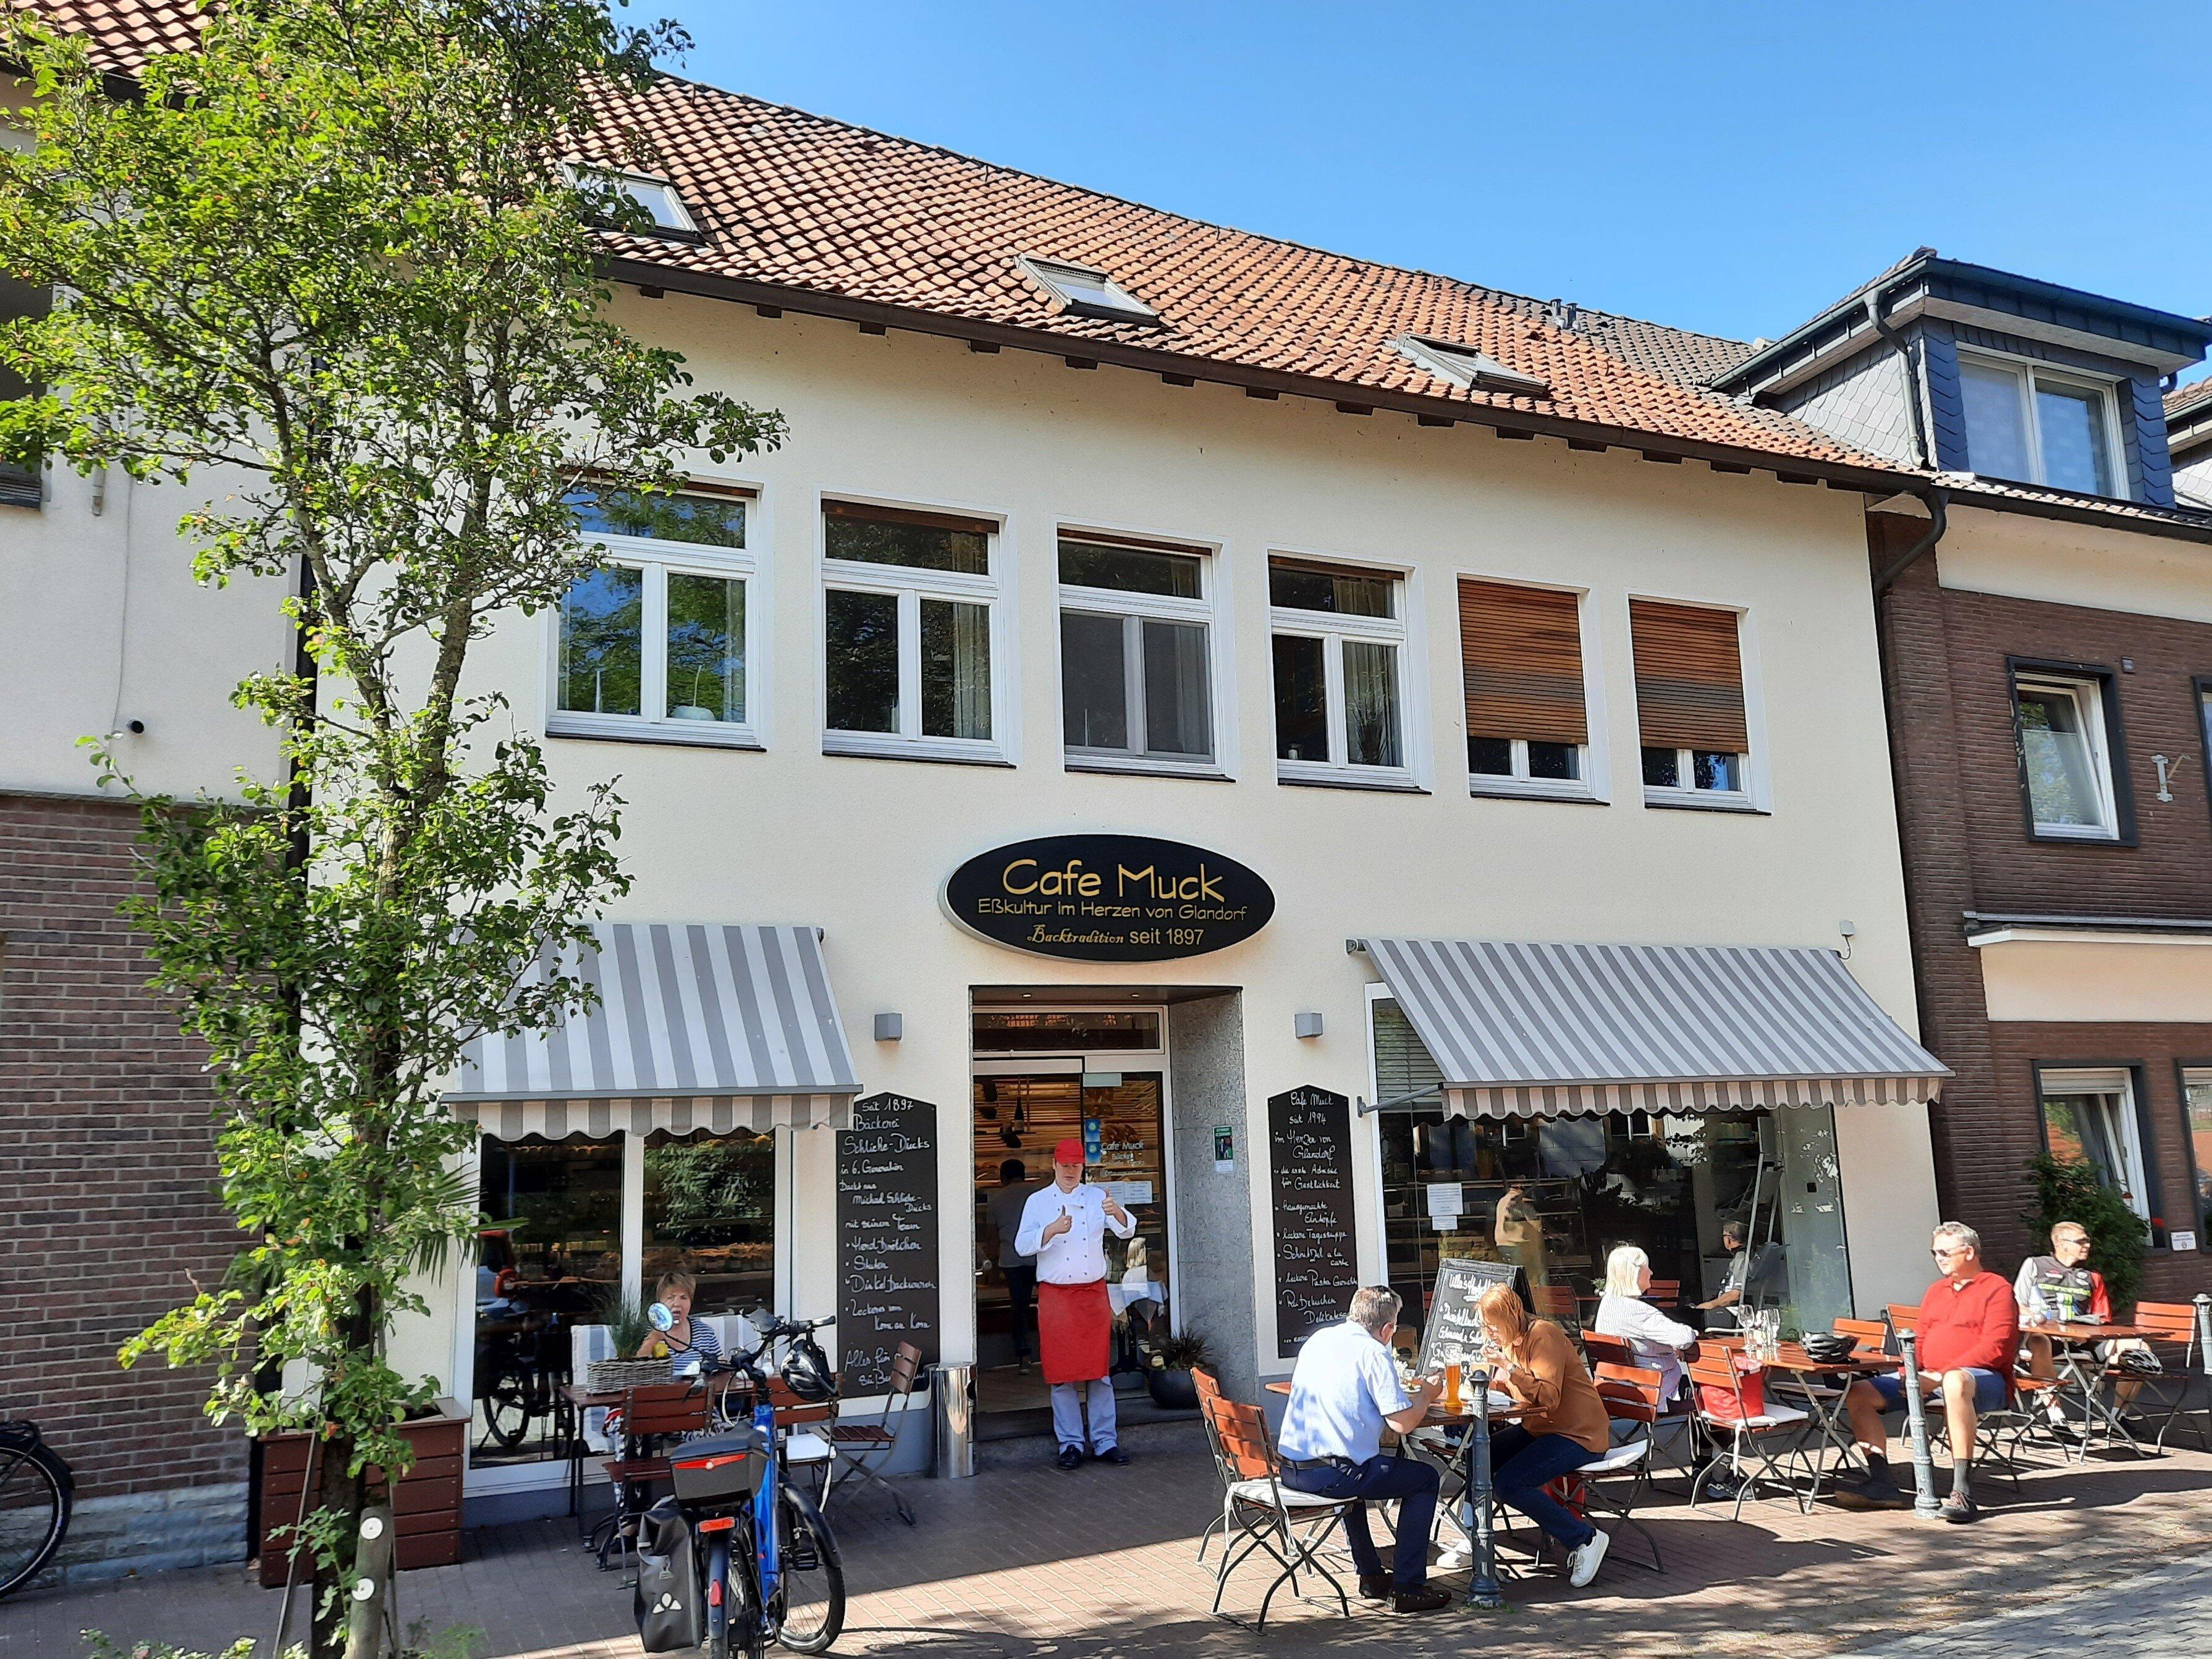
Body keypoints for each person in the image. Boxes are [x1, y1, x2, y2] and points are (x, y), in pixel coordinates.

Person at [1277, 1287, 1450, 1615]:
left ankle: (1371, 1574)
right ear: (1388, 1329)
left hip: (1291, 1468)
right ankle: (1408, 1588)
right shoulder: (1373, 1352)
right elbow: (1401, 1423)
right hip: (1331, 1476)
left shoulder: (1319, 1339)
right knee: (1425, 1479)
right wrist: (1427, 1394)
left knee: (1360, 1466)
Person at [1839, 1222, 2019, 1522]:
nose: (1938, 1259)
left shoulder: (1997, 1289)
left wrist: (1939, 1376)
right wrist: (1908, 1375)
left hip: (1983, 1380)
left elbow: (1996, 1346)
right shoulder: (1936, 1291)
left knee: (1955, 1381)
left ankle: (1962, 1493)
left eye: (1945, 1253)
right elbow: (1918, 1341)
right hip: (1931, 1377)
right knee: (1860, 1392)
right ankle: (1882, 1483)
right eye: (1934, 1253)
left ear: (1969, 1252)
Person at [1479, 1283, 1614, 1587]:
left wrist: (1509, 1369)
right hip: (1541, 1428)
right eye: (1485, 1326)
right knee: (1478, 1456)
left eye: (1492, 1326)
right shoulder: (1510, 1341)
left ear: (1510, 1317)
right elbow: (1517, 1390)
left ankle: (1585, 1539)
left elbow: (1549, 1398)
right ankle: (1474, 1538)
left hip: (1578, 1433)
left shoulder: (1543, 1335)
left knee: (1510, 1483)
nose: (1488, 1333)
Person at [1015, 1138, 1136, 1470]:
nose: (1070, 1171)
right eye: (1065, 1165)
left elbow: (1127, 1231)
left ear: (1083, 1167)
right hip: (1056, 1297)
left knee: (1100, 1373)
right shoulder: (1038, 1201)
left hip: (1092, 1295)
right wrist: (1051, 1230)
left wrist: (1117, 1212)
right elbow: (1021, 1245)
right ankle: (1070, 1443)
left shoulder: (1097, 1197)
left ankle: (1106, 1441)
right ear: (1054, 1165)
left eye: (1076, 1165)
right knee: (1061, 1375)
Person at [2014, 1221, 2151, 1427]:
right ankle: (2057, 1418)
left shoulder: (2092, 1277)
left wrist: (2085, 1331)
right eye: (2081, 1241)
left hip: (2083, 1340)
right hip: (2048, 1338)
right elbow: (2017, 1303)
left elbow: (2102, 1318)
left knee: (2140, 1349)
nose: (2088, 1245)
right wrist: (2036, 1317)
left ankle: (2117, 1418)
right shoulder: (2035, 1265)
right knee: (2039, 1342)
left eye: (2087, 1241)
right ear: (2061, 1243)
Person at [984, 1157, 1045, 1370]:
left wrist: (992, 1267)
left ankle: (1024, 1357)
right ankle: (1053, 1352)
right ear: (1024, 1174)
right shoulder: (1039, 1194)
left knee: (1019, 1308)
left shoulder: (996, 1200)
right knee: (1049, 1306)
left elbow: (992, 1237)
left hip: (1012, 1260)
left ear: (1003, 1178)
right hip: (1040, 1258)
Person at [635, 1269, 721, 1377]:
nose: (677, 1304)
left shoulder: (705, 1332)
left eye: (683, 1298)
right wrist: (653, 1339)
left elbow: (720, 1365)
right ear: (660, 1303)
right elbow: (636, 1371)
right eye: (670, 1298)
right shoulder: (646, 1332)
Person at [1695, 1222, 1785, 1326]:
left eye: (1724, 1236)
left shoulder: (1741, 1258)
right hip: (1733, 1312)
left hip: (1737, 1315)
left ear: (1728, 1238)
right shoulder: (1744, 1255)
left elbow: (1736, 1294)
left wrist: (1711, 1304)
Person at [1494, 1181, 1548, 1286]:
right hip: (1520, 1248)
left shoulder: (1503, 1200)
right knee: (1531, 1280)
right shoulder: (1519, 1201)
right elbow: (1537, 1226)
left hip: (1504, 1246)